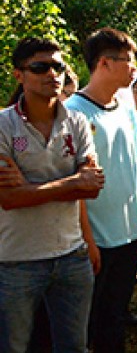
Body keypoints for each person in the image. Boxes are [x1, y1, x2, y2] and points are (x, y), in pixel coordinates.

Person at [0, 38, 103, 353]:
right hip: (16, 260)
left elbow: (93, 186)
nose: (52, 73)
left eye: (58, 66)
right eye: (40, 67)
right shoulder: (4, 125)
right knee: (13, 347)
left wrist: (30, 186)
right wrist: (71, 183)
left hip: (72, 255)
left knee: (74, 346)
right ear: (19, 74)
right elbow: (9, 200)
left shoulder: (77, 122)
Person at [64, 28, 137, 352]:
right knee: (90, 322)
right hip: (96, 241)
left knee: (116, 317)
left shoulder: (127, 106)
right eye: (128, 62)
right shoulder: (74, 112)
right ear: (104, 63)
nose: (134, 70)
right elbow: (73, 185)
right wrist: (87, 240)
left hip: (129, 234)